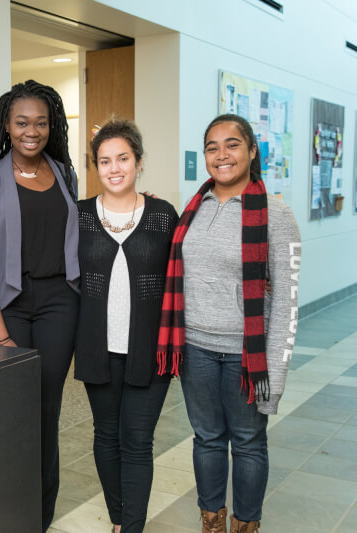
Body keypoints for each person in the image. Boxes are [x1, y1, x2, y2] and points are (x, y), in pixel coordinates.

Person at [157, 114, 301, 533]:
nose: (222, 155)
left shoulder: (276, 215)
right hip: (195, 348)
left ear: (252, 151)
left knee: (249, 442)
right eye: (212, 147)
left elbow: (287, 301)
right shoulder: (193, 208)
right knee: (207, 439)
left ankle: (245, 525)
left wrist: (275, 375)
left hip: (246, 356)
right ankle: (212, 522)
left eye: (233, 144)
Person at [0, 79, 79, 531]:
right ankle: (7, 514)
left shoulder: (64, 173)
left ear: (52, 126)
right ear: (6, 126)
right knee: (11, 413)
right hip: (7, 305)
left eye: (41, 122)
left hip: (59, 304)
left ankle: (40, 518)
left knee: (47, 411)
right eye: (21, 122)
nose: (32, 131)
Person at [74, 119, 178, 533]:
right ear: (95, 166)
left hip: (149, 350)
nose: (114, 168)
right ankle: (119, 520)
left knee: (137, 440)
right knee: (106, 436)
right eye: (105, 161)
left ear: (138, 161)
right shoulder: (79, 215)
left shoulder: (163, 216)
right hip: (97, 347)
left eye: (122, 158)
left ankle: (131, 527)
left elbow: (181, 277)